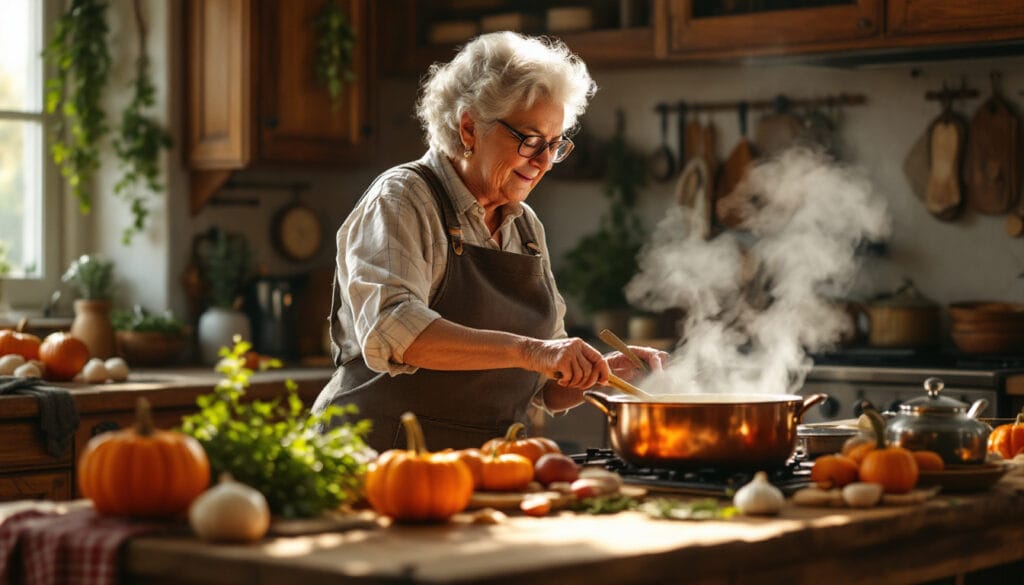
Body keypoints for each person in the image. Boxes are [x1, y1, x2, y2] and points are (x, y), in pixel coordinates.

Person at [313, 31, 667, 453]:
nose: (541, 163)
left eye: (554, 146)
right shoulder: (404, 198)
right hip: (379, 459)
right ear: (469, 127)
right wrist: (535, 352)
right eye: (530, 140)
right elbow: (395, 329)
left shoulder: (524, 227)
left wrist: (601, 371)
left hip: (486, 467)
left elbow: (542, 386)